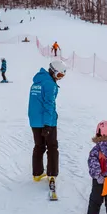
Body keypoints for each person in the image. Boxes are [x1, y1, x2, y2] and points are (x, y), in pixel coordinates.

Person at [28, 60, 67, 190]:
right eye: (59, 75)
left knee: (39, 146)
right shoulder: (50, 85)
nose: (60, 79)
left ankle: (37, 174)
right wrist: (48, 125)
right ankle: (52, 174)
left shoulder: (37, 82)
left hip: (34, 120)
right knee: (52, 146)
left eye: (62, 76)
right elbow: (48, 105)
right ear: (53, 71)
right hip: (46, 121)